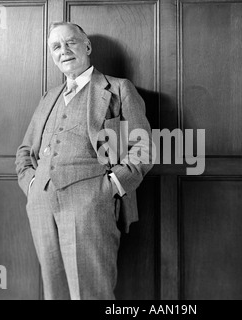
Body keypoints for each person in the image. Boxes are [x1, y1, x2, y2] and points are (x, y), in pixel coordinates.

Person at [15, 21, 153, 300]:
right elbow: (25, 150)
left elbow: (144, 149)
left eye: (70, 43)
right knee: (55, 291)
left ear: (87, 46)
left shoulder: (118, 89)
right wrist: (31, 184)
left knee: (91, 292)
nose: (63, 51)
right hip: (41, 204)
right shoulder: (49, 97)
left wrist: (112, 186)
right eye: (56, 46)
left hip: (91, 203)